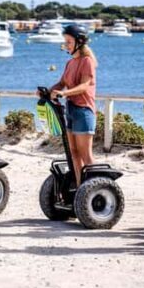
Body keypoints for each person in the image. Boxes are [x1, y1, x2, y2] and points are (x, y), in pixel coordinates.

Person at [46, 24, 98, 186]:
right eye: (65, 42)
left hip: (84, 111)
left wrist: (64, 94)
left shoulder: (87, 61)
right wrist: (48, 91)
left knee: (85, 154)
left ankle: (94, 187)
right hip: (70, 110)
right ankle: (79, 186)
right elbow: (62, 83)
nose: (66, 45)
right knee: (73, 153)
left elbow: (84, 86)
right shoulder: (70, 63)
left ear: (79, 42)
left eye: (69, 42)